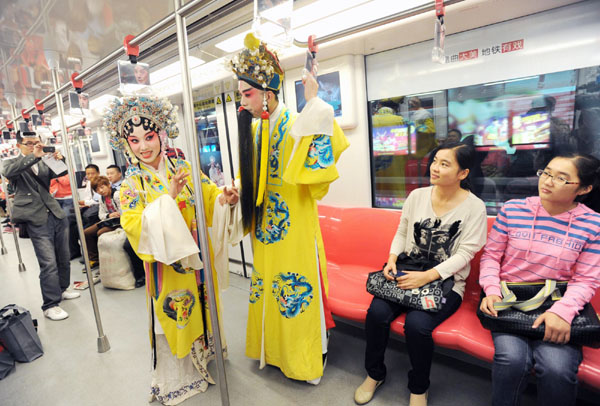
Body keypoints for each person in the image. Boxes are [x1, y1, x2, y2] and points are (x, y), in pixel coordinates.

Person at [103, 95, 240, 405]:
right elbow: (134, 226)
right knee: (177, 314)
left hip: (196, 260)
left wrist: (224, 198)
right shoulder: (129, 186)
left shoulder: (183, 166)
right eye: (134, 140)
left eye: (149, 137)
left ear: (161, 134)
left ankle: (203, 356)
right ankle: (179, 375)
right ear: (127, 145)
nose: (143, 146)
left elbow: (206, 196)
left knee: (204, 306)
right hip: (167, 267)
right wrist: (167, 196)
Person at [230, 33, 350, 384]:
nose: (242, 101)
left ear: (268, 93)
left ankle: (305, 359)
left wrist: (314, 102)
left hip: (295, 228)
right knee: (267, 286)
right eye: (240, 94)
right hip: (266, 234)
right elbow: (250, 178)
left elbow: (318, 169)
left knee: (295, 290)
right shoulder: (256, 132)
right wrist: (237, 191)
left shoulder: (298, 123)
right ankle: (275, 353)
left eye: (246, 93)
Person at [355, 142, 487, 406]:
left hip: (447, 282)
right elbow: (403, 232)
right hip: (407, 270)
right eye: (435, 160)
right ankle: (374, 374)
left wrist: (428, 277)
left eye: (445, 164)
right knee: (377, 314)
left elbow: (464, 255)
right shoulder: (417, 196)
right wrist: (392, 258)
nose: (434, 168)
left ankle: (418, 388)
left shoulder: (475, 208)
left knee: (417, 326)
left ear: (463, 173)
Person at [479, 153, 600, 406]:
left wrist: (563, 312)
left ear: (585, 188)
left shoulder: (593, 225)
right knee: (512, 361)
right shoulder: (513, 210)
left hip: (557, 302)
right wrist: (491, 290)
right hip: (510, 299)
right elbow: (491, 256)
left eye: (561, 178)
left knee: (557, 369)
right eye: (546, 173)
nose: (548, 181)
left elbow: (586, 279)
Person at [1, 131, 80, 320]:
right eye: (29, 143)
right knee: (48, 262)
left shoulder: (44, 161)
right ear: (19, 145)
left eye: (37, 142)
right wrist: (33, 157)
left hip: (55, 213)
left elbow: (62, 173)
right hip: (35, 217)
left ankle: (62, 288)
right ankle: (50, 304)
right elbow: (9, 173)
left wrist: (59, 159)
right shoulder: (10, 162)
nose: (34, 146)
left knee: (64, 256)